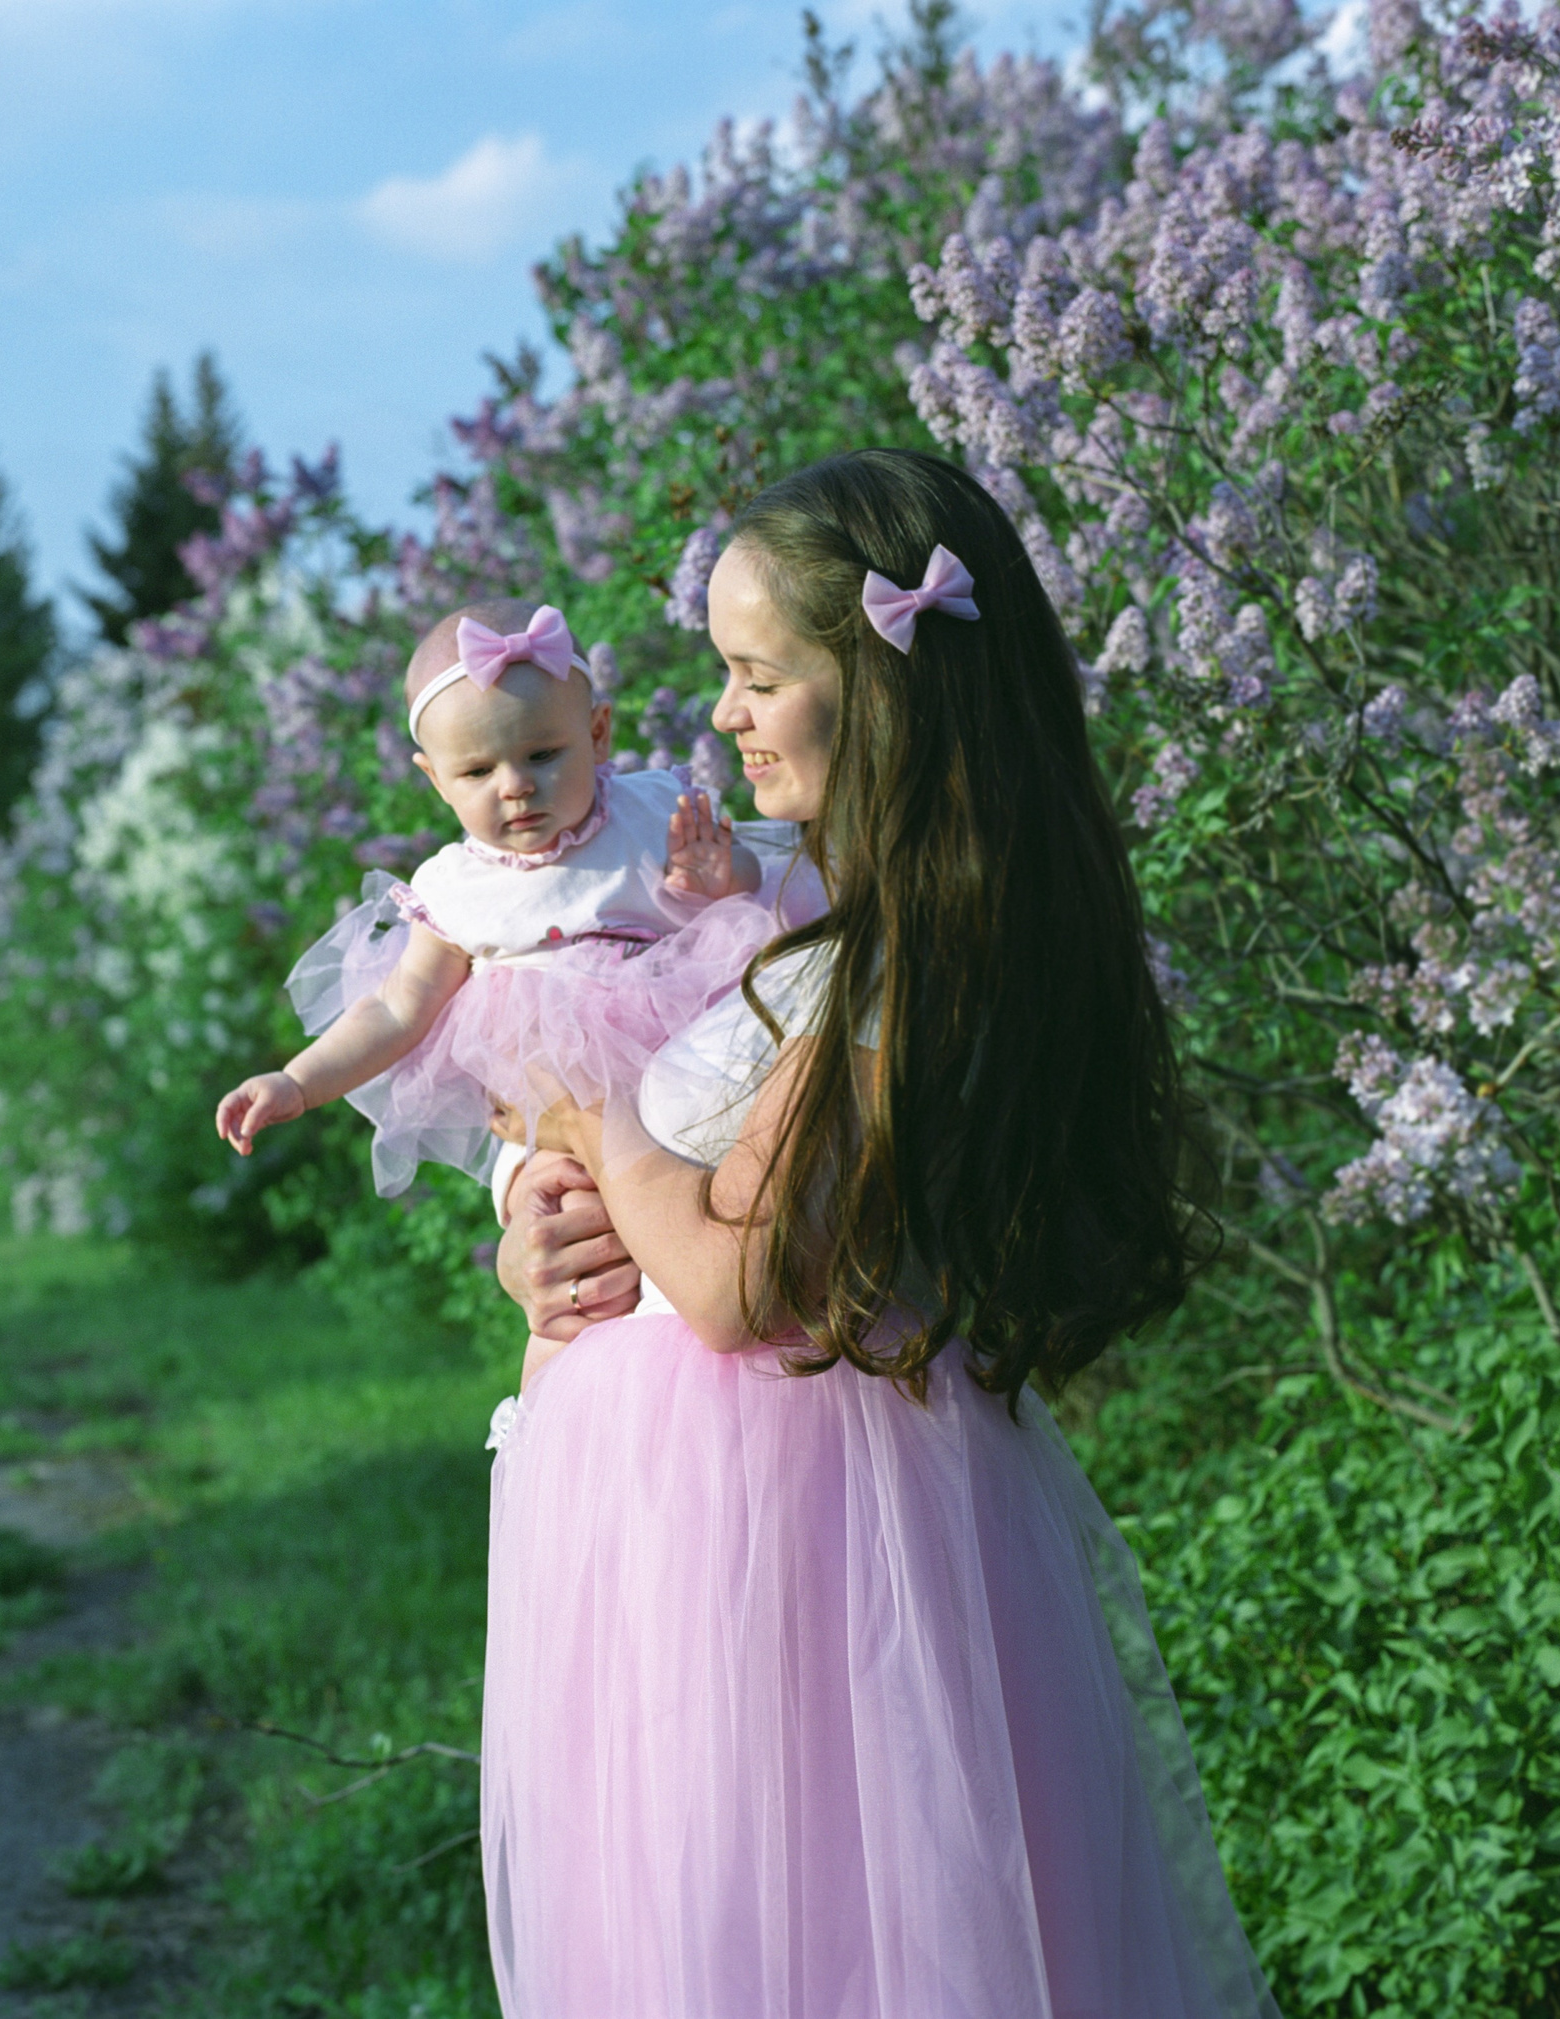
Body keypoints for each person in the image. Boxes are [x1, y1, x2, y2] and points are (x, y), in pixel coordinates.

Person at [480, 451, 1280, 2016]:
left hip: (791, 1527)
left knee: (803, 1931)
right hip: (748, 1506)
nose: (724, 713)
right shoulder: (848, 920)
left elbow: (732, 1283)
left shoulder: (904, 956)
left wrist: (591, 1113)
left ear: (884, 688)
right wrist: (547, 1239)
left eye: (759, 673)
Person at [217, 599, 827, 1391]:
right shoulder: (456, 890)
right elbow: (397, 1008)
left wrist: (723, 878)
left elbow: (756, 907)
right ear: (434, 778)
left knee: (700, 1225)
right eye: (477, 772)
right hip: (550, 1123)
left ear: (599, 734)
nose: (516, 787)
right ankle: (573, 1397)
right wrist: (298, 1080)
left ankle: (712, 1350)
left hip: (686, 1086)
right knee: (579, 1253)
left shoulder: (651, 812)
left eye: (543, 754)